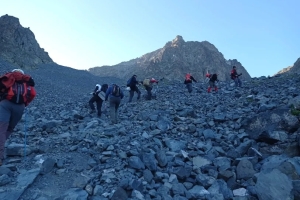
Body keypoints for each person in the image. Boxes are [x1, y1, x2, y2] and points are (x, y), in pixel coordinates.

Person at [0, 69, 36, 165]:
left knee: (1, 128)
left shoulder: (8, 78)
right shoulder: (26, 81)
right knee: (10, 128)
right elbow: (33, 94)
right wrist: (25, 103)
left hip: (5, 104)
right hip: (19, 107)